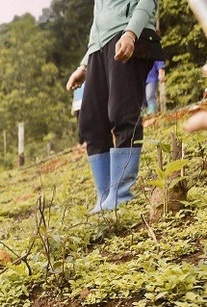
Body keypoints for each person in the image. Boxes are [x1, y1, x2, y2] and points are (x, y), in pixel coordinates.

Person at [66, 0, 162, 214]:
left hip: (128, 35)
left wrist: (130, 33)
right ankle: (104, 195)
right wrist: (85, 64)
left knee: (122, 112)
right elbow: (98, 22)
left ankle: (121, 193)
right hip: (99, 49)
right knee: (90, 121)